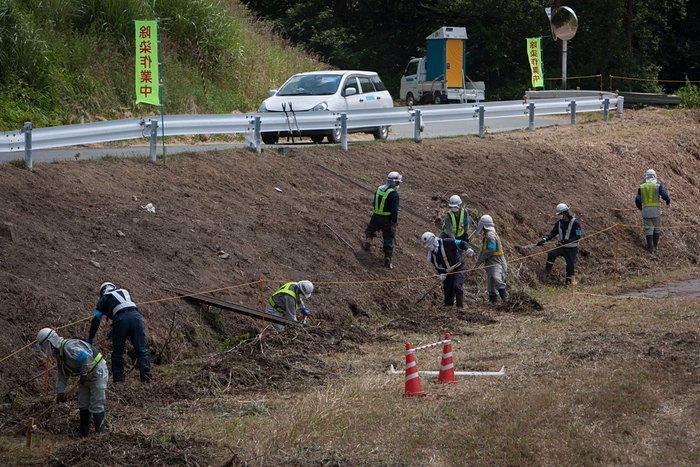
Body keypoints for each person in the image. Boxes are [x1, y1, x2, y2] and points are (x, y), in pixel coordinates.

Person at [35, 327, 108, 437]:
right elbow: (62, 376)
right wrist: (60, 392)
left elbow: (87, 358)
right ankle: (83, 434)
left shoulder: (69, 347)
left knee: (97, 403)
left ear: (49, 342)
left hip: (97, 372)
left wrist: (83, 374)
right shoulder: (60, 356)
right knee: (83, 403)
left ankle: (100, 435)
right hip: (85, 375)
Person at [87, 282, 152, 383]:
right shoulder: (125, 292)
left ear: (102, 291)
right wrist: (113, 330)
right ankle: (146, 377)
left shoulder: (104, 298)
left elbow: (96, 319)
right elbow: (127, 310)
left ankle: (119, 379)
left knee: (118, 350)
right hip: (136, 318)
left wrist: (90, 338)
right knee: (141, 348)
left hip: (120, 320)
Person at [421, 232, 474, 307]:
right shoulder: (432, 256)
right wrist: (441, 273)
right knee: (448, 293)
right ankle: (449, 308)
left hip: (459, 269)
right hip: (447, 273)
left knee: (457, 286)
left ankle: (460, 307)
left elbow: (461, 243)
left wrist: (467, 248)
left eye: (430, 244)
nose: (429, 247)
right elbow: (437, 266)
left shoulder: (447, 242)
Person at [363, 171, 402, 269]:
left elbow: (374, 202)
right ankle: (387, 261)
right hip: (387, 220)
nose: (398, 185)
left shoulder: (379, 189)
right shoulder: (394, 195)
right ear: (393, 182)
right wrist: (394, 224)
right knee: (388, 239)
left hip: (375, 216)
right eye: (397, 183)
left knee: (370, 229)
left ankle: (368, 242)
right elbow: (394, 211)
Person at [536, 203, 582, 286]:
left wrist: (568, 241)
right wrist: (544, 239)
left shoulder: (575, 223)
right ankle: (546, 275)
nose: (559, 216)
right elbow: (552, 233)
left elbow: (578, 236)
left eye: (560, 214)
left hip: (572, 249)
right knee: (551, 254)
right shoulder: (559, 223)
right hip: (562, 247)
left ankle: (569, 285)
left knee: (570, 267)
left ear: (565, 213)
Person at [473, 215, 508, 303]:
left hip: (496, 261)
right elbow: (482, 250)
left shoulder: (490, 235)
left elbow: (491, 249)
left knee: (497, 278)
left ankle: (506, 300)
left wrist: (481, 258)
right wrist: (477, 263)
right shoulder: (486, 236)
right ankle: (493, 302)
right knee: (491, 282)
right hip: (490, 261)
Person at [635, 169, 671, 252]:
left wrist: (640, 207)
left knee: (648, 229)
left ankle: (650, 248)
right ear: (655, 176)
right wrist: (668, 203)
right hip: (656, 211)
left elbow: (637, 199)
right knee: (657, 228)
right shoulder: (658, 185)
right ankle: (655, 246)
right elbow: (665, 195)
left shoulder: (642, 187)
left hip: (646, 211)